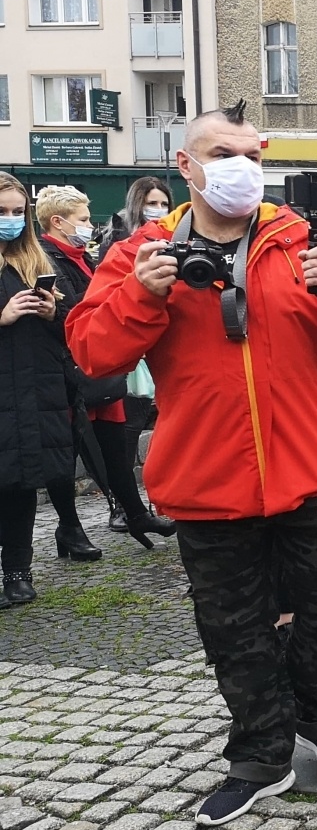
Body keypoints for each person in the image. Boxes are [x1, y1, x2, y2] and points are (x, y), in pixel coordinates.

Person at [66, 103, 317, 825]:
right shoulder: (140, 254)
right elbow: (93, 352)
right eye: (222, 152)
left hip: (310, 471)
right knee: (234, 627)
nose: (241, 166)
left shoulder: (307, 239)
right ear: (186, 165)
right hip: (208, 482)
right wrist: (139, 297)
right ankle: (260, 752)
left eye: (252, 153)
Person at [37, 186, 175, 558]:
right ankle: (71, 527)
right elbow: (77, 318)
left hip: (95, 375)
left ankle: (133, 512)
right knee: (67, 454)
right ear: (58, 222)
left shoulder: (83, 257)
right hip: (68, 371)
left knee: (116, 448)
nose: (87, 226)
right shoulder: (47, 260)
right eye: (83, 220)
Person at [0, 176, 73, 608]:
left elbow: (73, 328)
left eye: (16, 212)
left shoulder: (37, 259)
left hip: (32, 391)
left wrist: (52, 312)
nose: (10, 220)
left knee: (22, 483)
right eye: (2, 211)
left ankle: (19, 572)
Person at [98, 176, 173, 254]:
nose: (160, 208)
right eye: (152, 203)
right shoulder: (114, 237)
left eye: (164, 204)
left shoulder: (173, 233)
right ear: (137, 205)